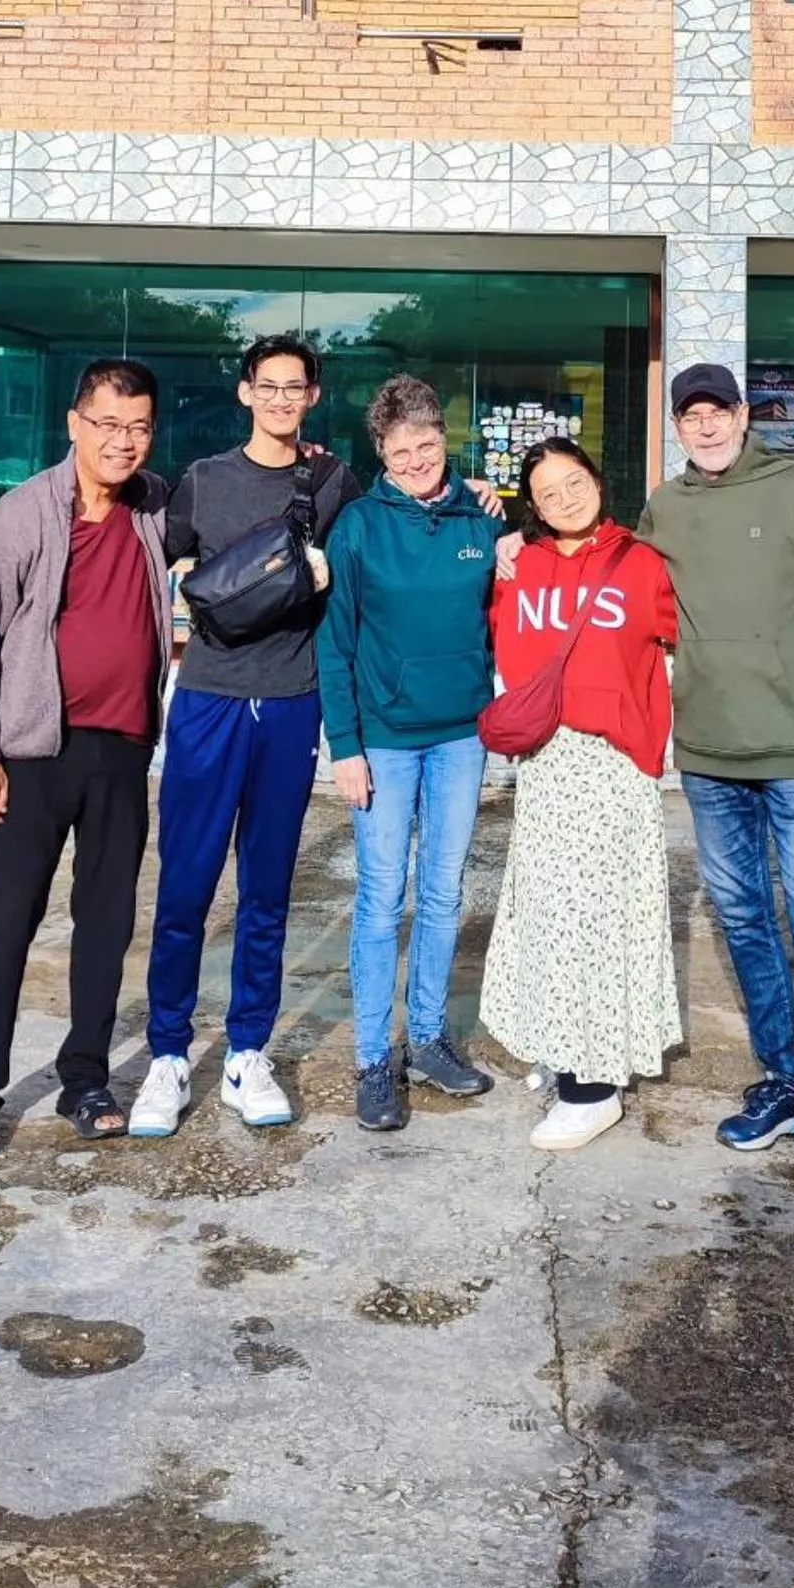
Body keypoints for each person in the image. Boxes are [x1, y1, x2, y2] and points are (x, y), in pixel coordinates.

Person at [636, 360, 794, 1208]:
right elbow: (618, 586)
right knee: (743, 918)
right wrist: (515, 540)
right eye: (689, 416)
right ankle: (782, 1076)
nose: (704, 427)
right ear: (677, 426)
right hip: (709, 752)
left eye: (718, 413)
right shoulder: (666, 507)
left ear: (744, 416)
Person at [130, 335, 362, 1139]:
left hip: (291, 701)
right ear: (244, 392)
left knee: (266, 891)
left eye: (294, 388)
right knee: (186, 888)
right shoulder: (203, 479)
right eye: (268, 386)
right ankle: (166, 1055)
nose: (281, 400)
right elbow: (142, 555)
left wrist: (485, 515)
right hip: (208, 700)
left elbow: (382, 547)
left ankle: (247, 1051)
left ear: (312, 397)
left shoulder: (332, 480)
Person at [0, 359, 170, 1161]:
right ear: (74, 424)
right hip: (32, 755)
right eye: (108, 424)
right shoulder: (17, 515)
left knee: (106, 926)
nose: (124, 441)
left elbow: (240, 500)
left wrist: (309, 461)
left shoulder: (152, 507)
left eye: (138, 426)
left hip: (121, 748)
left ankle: (85, 1078)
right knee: (6, 926)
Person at [480, 439, 682, 1153]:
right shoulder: (521, 565)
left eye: (575, 481)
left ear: (599, 480)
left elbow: (681, 642)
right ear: (530, 506)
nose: (565, 497)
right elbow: (504, 644)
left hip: (612, 761)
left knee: (599, 918)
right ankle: (566, 1047)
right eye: (547, 491)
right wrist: (504, 544)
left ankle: (594, 1088)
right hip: (545, 761)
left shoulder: (641, 562)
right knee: (549, 913)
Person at [317, 374, 506, 1133]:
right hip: (385, 744)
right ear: (382, 453)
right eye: (401, 450)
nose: (418, 458)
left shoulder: (480, 517)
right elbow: (335, 643)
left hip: (462, 735)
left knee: (442, 892)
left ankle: (426, 1038)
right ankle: (371, 1057)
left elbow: (510, 615)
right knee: (379, 897)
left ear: (443, 439)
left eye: (428, 444)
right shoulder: (360, 525)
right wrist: (346, 747)